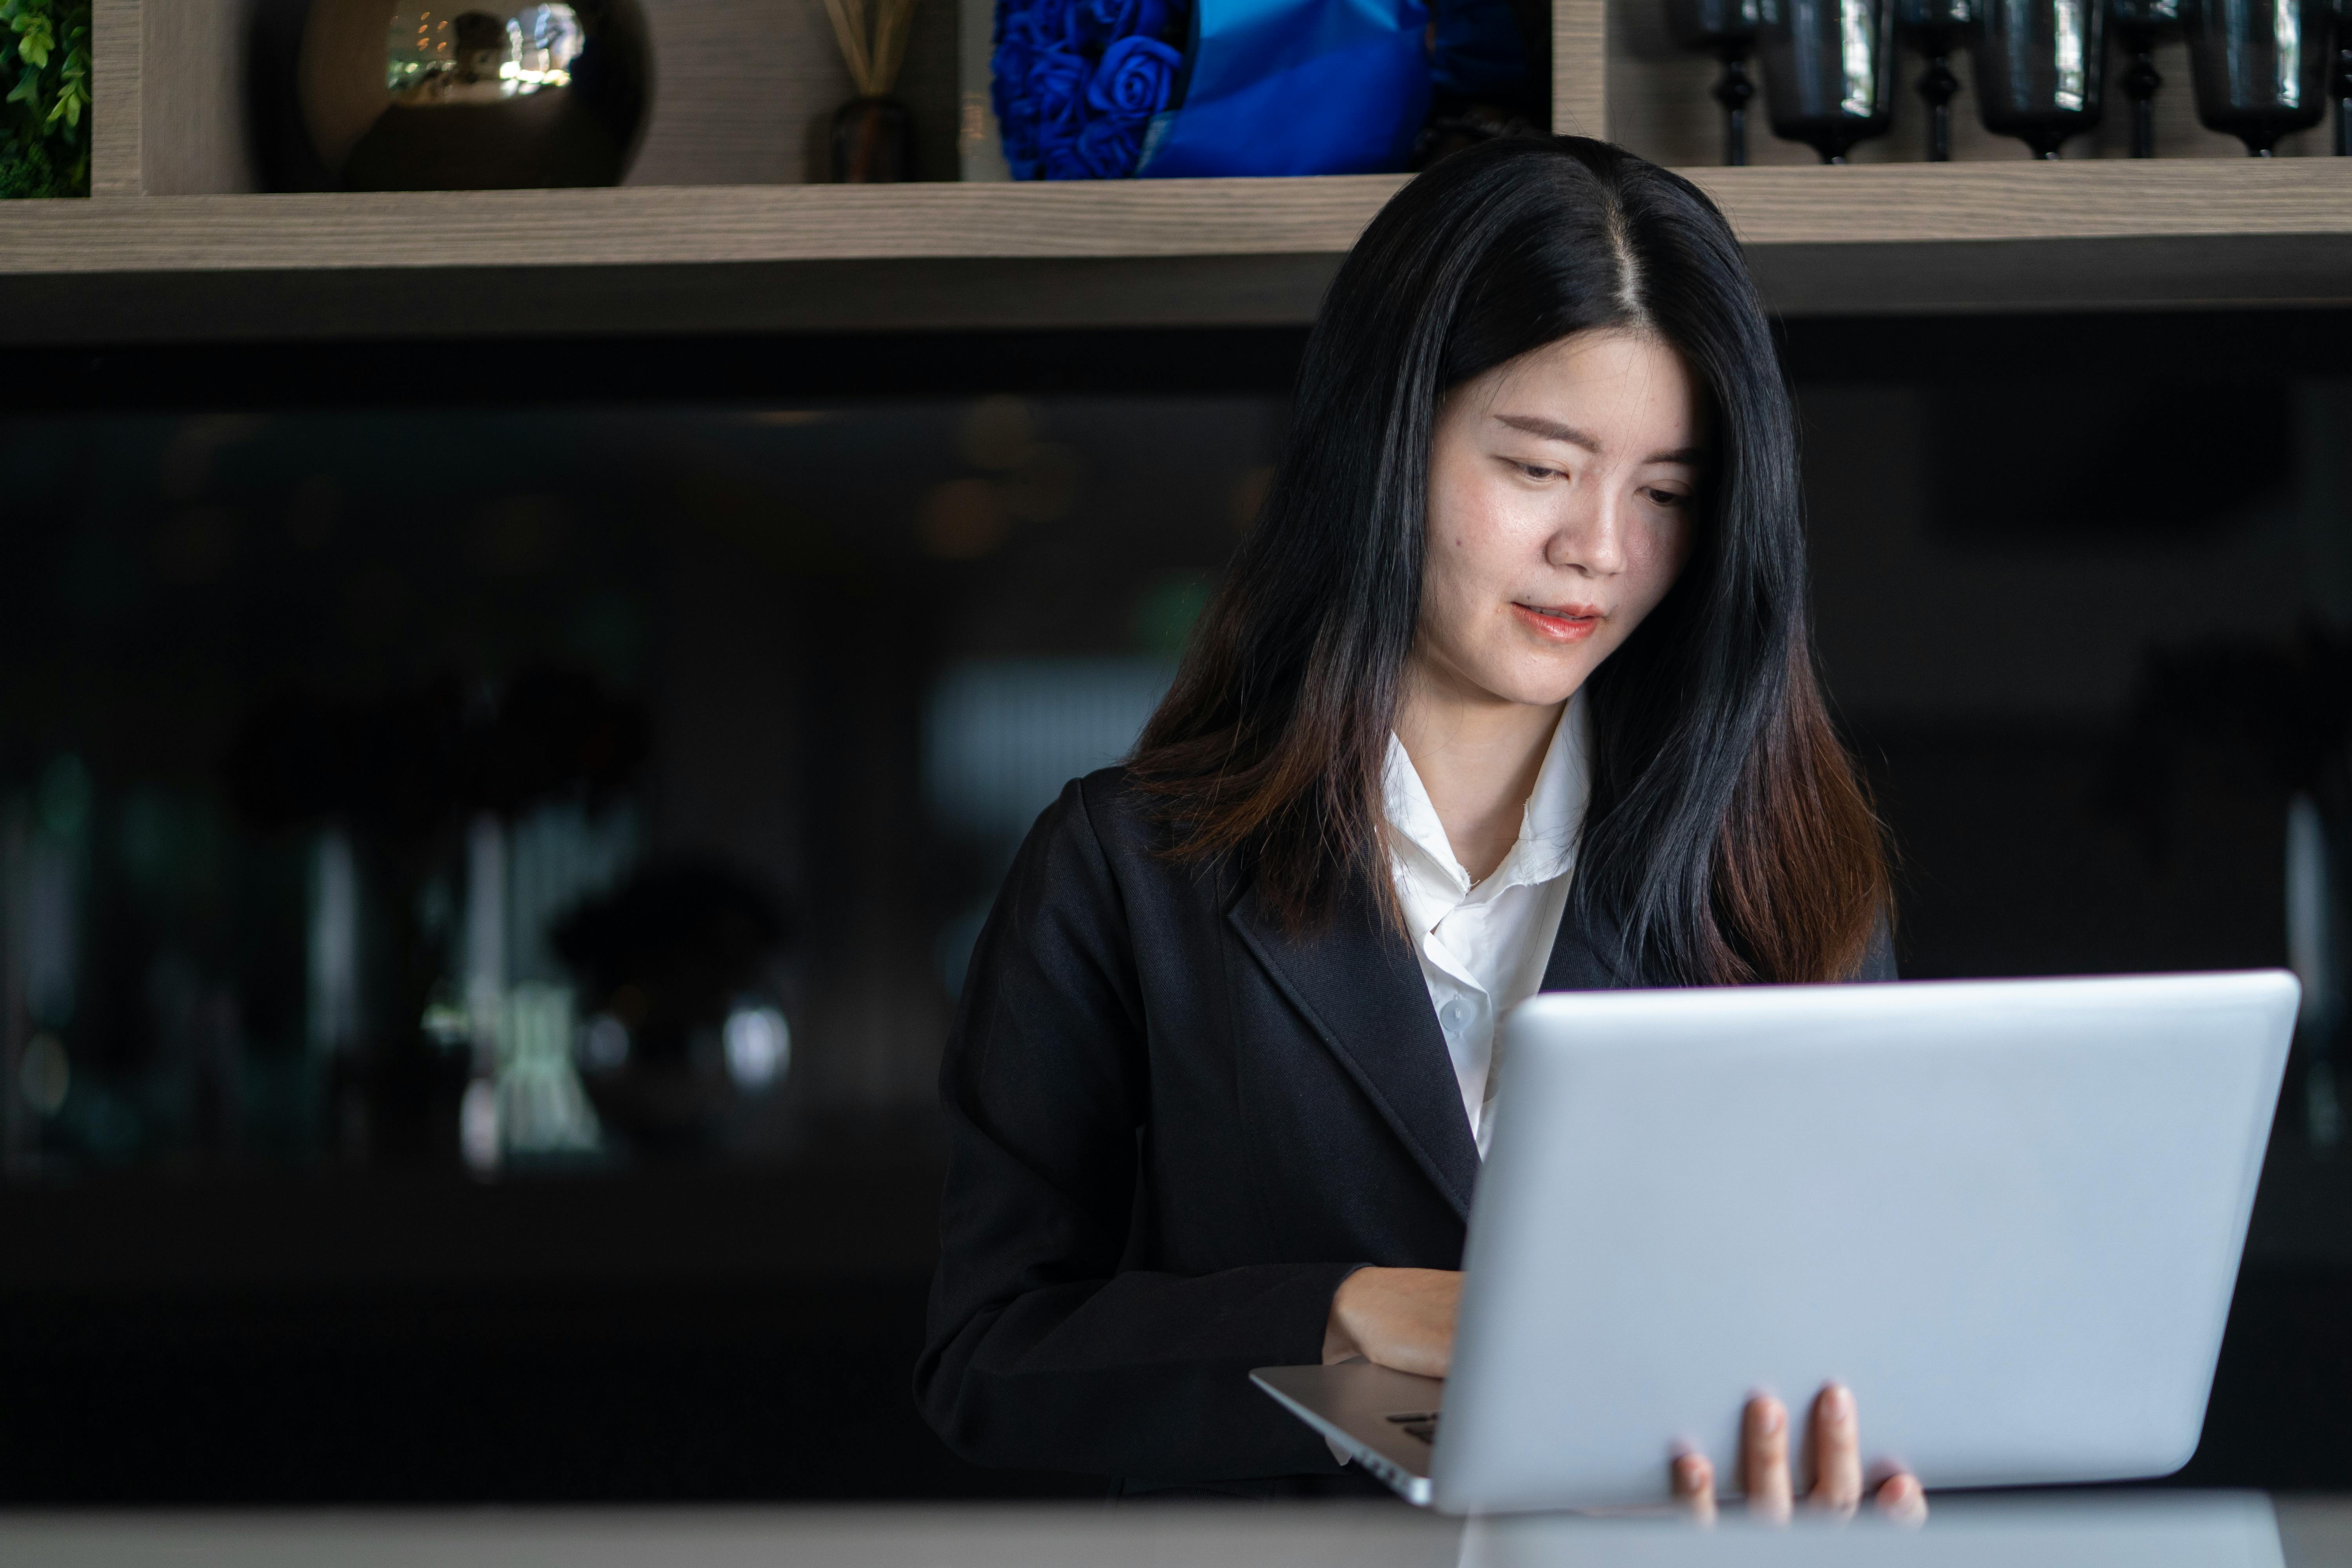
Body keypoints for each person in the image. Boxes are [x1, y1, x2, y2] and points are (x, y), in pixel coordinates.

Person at [916, 134, 1921, 1518]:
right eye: (1540, 468)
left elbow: (1848, 1331)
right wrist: (1340, 1316)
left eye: (1670, 494)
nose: (1604, 551)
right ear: (1387, 440)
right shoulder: (1125, 871)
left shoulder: (1783, 870)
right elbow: (990, 1359)